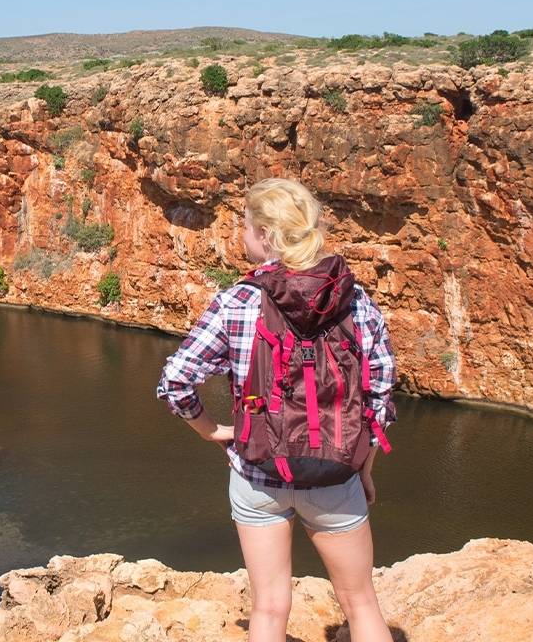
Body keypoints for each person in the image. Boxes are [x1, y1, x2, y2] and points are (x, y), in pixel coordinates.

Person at [156, 177, 397, 642]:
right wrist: (363, 466)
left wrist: (210, 431)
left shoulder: (238, 300)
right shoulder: (355, 299)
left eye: (245, 226)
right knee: (361, 603)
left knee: (268, 609)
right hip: (336, 474)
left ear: (265, 235)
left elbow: (175, 380)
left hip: (257, 472)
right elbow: (380, 395)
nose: (241, 236)